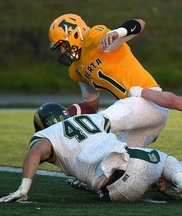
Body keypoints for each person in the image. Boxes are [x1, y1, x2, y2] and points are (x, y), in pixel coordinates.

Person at [0, 102, 182, 203]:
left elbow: (35, 154)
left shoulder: (47, 136)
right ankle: (180, 178)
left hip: (113, 195)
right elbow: (106, 119)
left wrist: (23, 189)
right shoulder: (90, 119)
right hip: (133, 165)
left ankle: (162, 183)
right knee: (163, 158)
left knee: (102, 174)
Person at [48, 14, 169, 148]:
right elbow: (92, 106)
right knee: (116, 160)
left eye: (63, 45)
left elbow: (140, 23)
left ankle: (55, 145)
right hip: (135, 112)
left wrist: (117, 33)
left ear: (75, 34)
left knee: (99, 123)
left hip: (150, 100)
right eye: (60, 48)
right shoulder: (75, 70)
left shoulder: (94, 36)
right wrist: (74, 114)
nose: (63, 51)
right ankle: (173, 167)